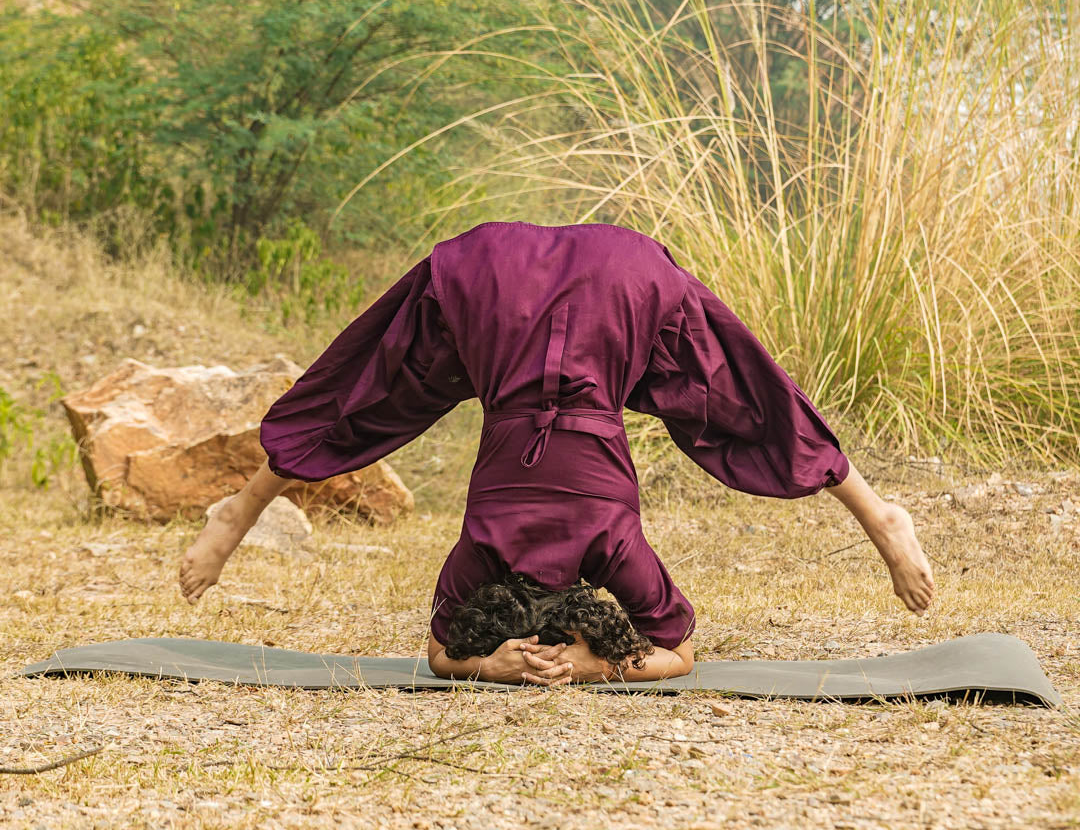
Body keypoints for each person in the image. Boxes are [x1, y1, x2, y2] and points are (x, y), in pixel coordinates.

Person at [179, 220, 935, 686]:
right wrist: (553, 665)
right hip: (512, 280)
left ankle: (880, 516)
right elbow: (446, 653)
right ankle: (237, 511)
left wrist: (558, 664)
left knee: (733, 391)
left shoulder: (607, 547)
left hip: (578, 286)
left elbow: (675, 649)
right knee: (377, 386)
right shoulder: (490, 552)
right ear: (579, 602)